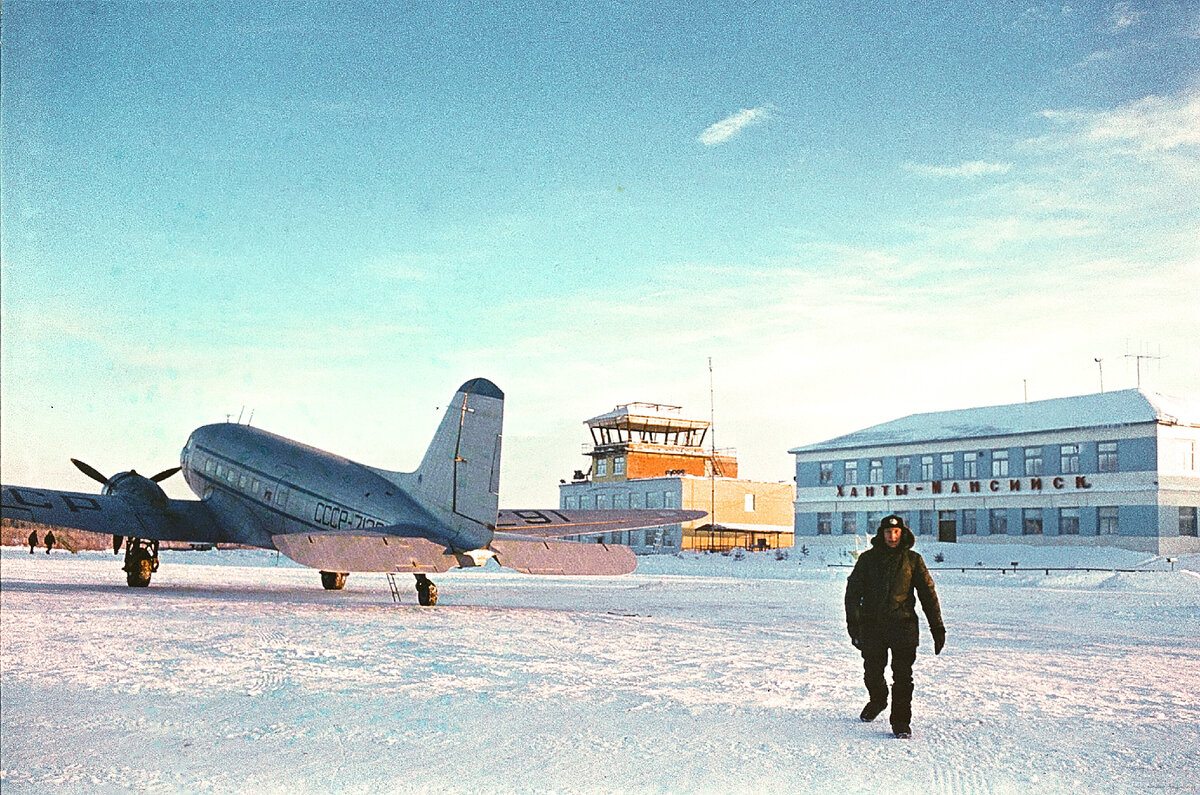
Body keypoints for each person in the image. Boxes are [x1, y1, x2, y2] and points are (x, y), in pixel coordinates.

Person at [845, 514, 945, 739]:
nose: (892, 536)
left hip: (903, 627)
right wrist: (855, 627)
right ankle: (878, 699)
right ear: (882, 534)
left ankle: (901, 722)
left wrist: (937, 627)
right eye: (888, 532)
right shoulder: (867, 560)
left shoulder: (913, 561)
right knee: (872, 671)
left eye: (897, 532)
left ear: (903, 534)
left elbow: (927, 594)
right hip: (873, 628)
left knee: (903, 677)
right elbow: (852, 595)